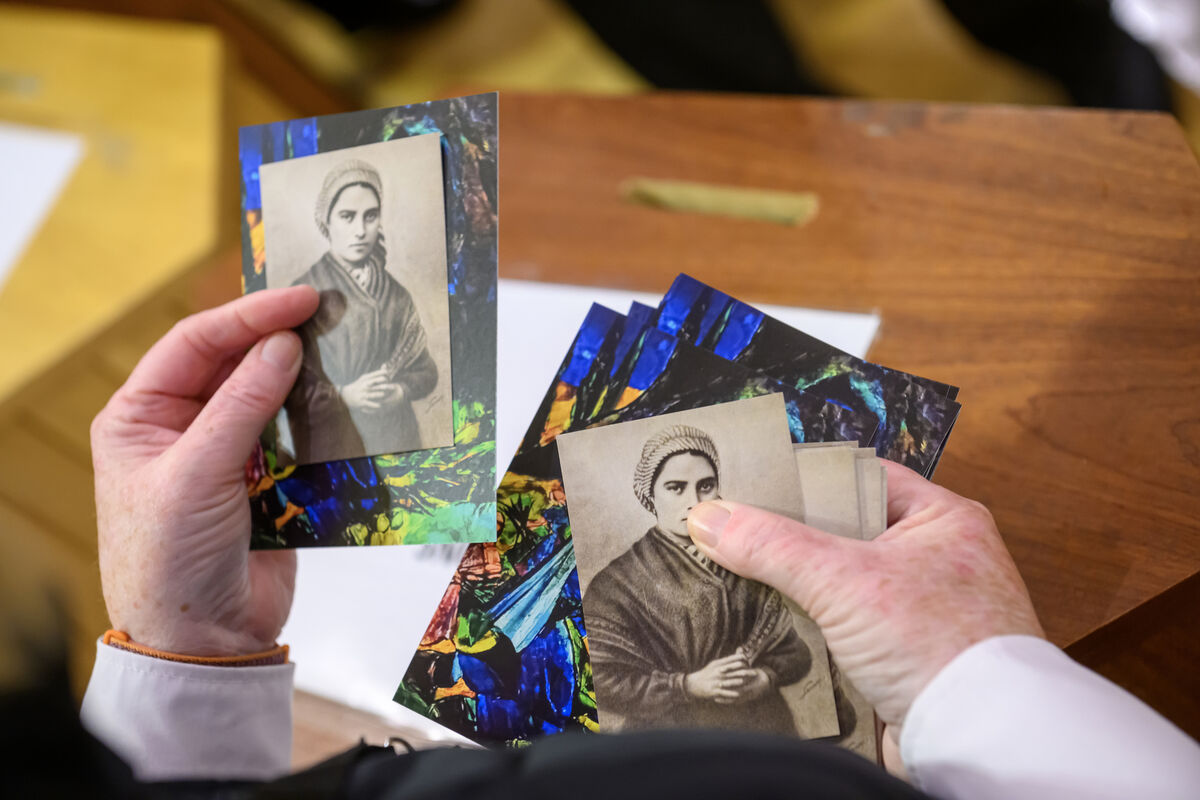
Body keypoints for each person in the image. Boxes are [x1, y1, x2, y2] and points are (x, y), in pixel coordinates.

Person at [77, 289, 1200, 797]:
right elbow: (624, 653)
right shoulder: (619, 579)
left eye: (709, 478)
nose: (698, 493)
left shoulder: (774, 558)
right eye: (680, 479)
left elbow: (808, 656)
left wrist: (190, 639)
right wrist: (980, 679)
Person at [584, 425, 810, 734]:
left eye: (706, 485)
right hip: (672, 747)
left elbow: (794, 653)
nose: (694, 501)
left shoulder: (748, 561)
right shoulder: (616, 586)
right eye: (676, 488)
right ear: (650, 494)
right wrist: (687, 686)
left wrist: (766, 678)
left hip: (764, 737)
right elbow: (604, 682)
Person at [285, 159, 437, 464]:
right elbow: (289, 389)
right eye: (347, 216)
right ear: (326, 221)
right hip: (337, 449)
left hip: (400, 443)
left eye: (370, 216)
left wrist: (401, 390)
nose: (360, 230)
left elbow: (426, 371)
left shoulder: (397, 295)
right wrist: (344, 396)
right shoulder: (304, 293)